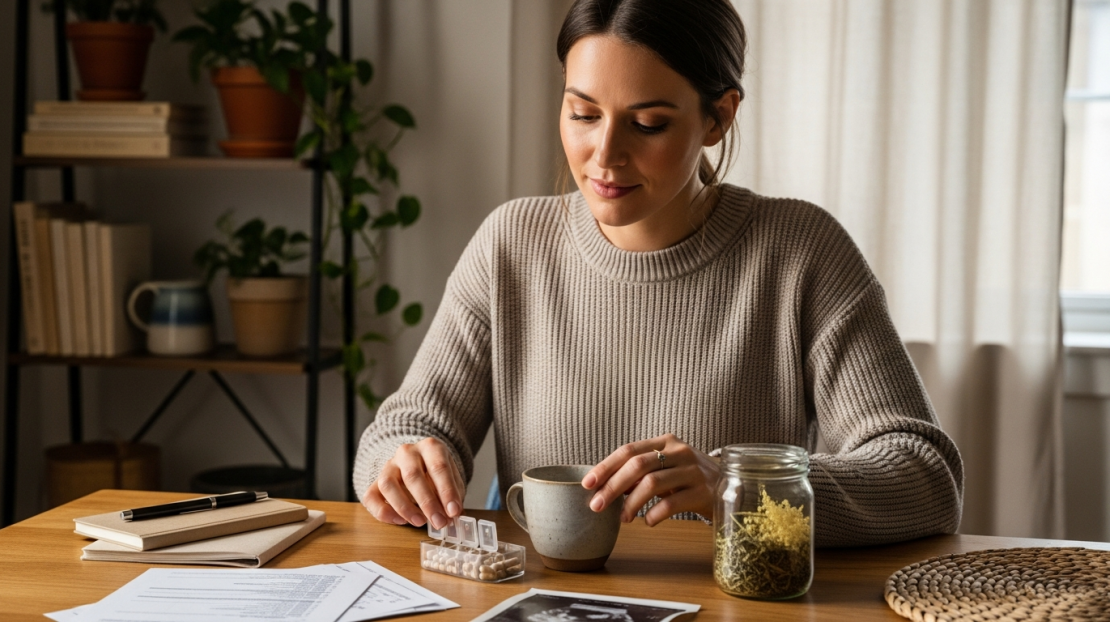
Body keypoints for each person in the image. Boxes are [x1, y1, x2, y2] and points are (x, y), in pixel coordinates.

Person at [352, 0, 964, 547]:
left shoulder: (802, 252)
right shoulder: (511, 244)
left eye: (648, 124)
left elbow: (923, 474)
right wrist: (404, 463)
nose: (605, 154)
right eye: (582, 114)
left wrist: (736, 486)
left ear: (718, 118)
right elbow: (407, 427)